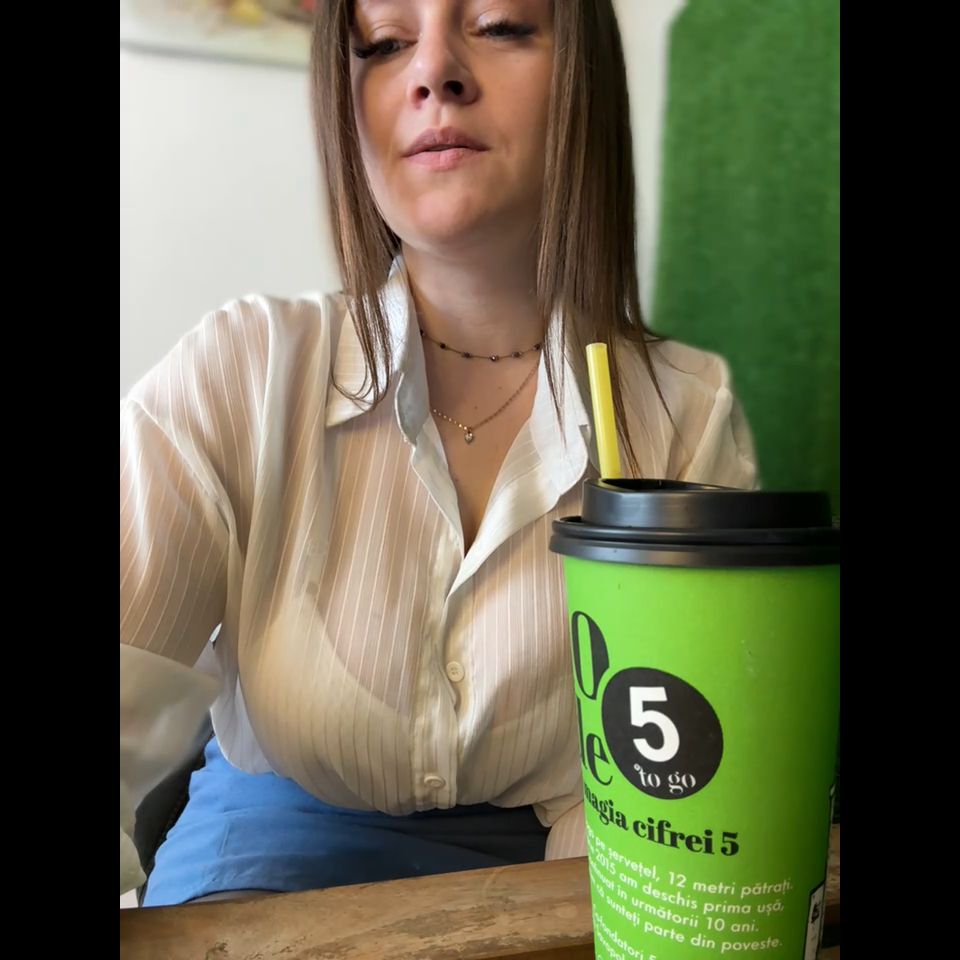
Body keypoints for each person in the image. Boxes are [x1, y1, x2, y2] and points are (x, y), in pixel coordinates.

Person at [120, 0, 758, 906]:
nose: (433, 73)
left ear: (585, 81)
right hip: (268, 843)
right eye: (385, 43)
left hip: (563, 858)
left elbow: (658, 790)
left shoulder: (685, 416)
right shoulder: (242, 370)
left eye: (499, 25)